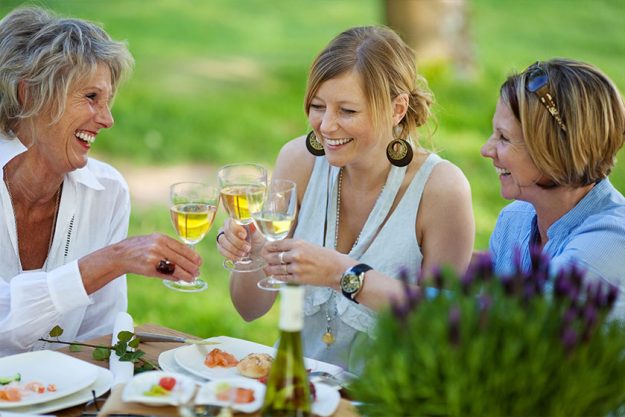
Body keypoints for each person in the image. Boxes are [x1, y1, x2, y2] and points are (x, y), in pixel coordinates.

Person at [217, 26, 475, 372]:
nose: (326, 126)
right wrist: (252, 252)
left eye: (348, 111)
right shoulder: (299, 161)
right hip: (289, 387)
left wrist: (343, 275)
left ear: (397, 108)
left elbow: (444, 328)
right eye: (318, 106)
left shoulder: (441, 189)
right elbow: (249, 308)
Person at [0, 6, 202, 356]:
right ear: (29, 95)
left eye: (107, 101)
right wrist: (107, 262)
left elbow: (99, 338)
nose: (107, 120)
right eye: (91, 98)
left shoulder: (107, 191)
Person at [481, 58, 625, 316]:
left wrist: (386, 291)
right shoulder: (514, 220)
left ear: (553, 151)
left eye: (503, 138)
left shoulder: (611, 242)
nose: (486, 150)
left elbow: (505, 322)